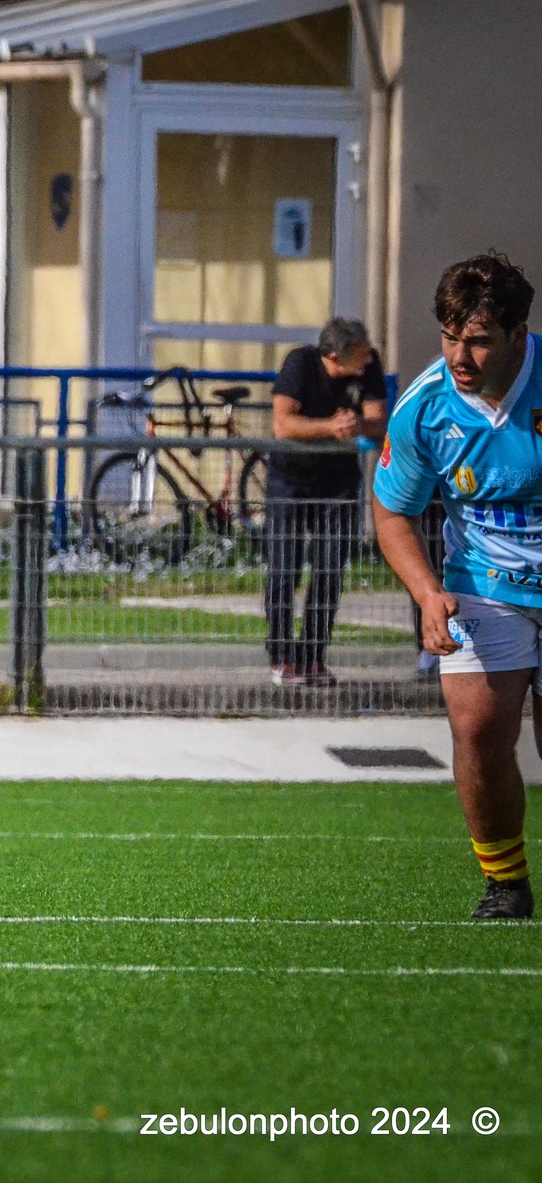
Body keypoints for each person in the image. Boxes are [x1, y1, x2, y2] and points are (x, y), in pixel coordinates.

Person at [372, 251, 540, 920]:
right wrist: (426, 591)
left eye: (476, 340)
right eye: (449, 336)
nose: (458, 355)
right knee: (476, 731)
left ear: (517, 335)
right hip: (482, 586)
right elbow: (392, 512)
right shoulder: (424, 410)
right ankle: (506, 883)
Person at [265, 317, 387, 685]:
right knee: (284, 568)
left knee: (330, 568)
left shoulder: (369, 364)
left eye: (368, 354)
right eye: (360, 356)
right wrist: (329, 428)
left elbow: (378, 423)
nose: (367, 362)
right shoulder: (300, 363)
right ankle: (282, 655)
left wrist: (357, 425)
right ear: (335, 356)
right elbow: (283, 424)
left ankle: (313, 655)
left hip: (339, 482)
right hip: (291, 480)